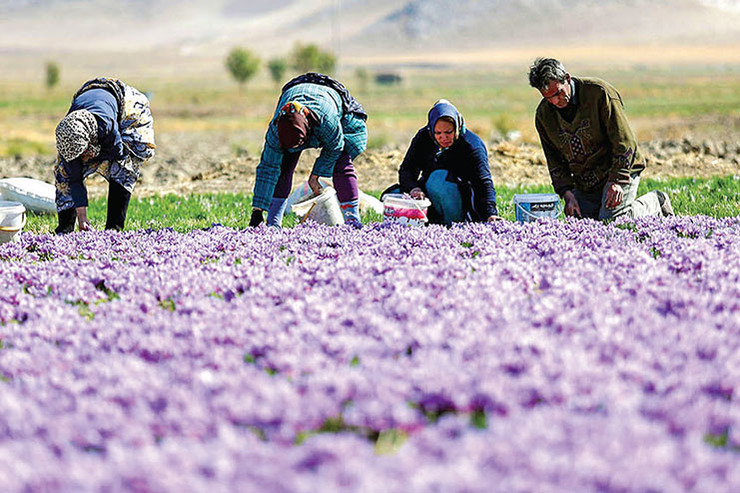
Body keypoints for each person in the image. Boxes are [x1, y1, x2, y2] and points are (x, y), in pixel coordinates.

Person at [528, 58, 673, 220]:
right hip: (586, 182)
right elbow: (554, 161)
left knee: (612, 221)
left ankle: (656, 202)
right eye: (548, 98)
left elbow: (624, 142)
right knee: (580, 223)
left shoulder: (599, 94)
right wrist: (568, 194)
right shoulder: (544, 115)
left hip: (617, 169)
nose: (555, 101)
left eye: (558, 93)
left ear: (567, 79)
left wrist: (617, 180)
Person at [248, 73, 367, 228]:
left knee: (341, 161)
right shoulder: (275, 131)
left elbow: (335, 147)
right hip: (295, 92)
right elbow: (268, 167)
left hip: (328, 97)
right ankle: (273, 224)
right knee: (283, 165)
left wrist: (315, 176)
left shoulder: (327, 121)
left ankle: (352, 220)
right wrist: (257, 211)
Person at [54, 77, 155, 233]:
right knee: (64, 172)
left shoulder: (106, 125)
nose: (83, 158)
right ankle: (65, 230)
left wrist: (95, 154)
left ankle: (113, 229)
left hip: (124, 104)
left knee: (124, 166)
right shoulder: (69, 136)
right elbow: (74, 178)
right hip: (89, 107)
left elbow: (118, 153)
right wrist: (82, 216)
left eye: (83, 152)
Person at [386, 99, 499, 225]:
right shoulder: (424, 137)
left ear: (457, 127)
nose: (443, 137)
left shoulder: (471, 145)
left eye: (448, 132)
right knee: (392, 196)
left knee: (438, 179)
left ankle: (452, 225)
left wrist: (490, 214)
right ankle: (430, 224)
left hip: (460, 199)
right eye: (438, 133)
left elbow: (483, 182)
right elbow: (408, 169)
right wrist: (414, 189)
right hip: (430, 195)